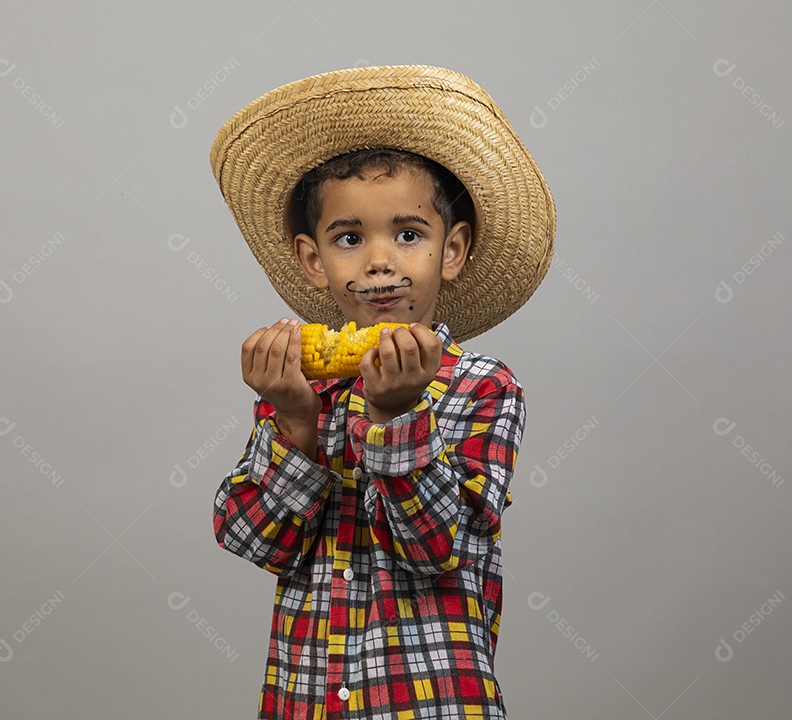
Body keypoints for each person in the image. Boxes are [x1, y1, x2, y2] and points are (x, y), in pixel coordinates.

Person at [209, 65, 555, 719]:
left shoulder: (485, 389)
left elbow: (432, 547)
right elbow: (257, 542)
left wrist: (396, 415)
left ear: (451, 252)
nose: (379, 261)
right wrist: (294, 424)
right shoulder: (302, 389)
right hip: (306, 703)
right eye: (348, 238)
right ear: (314, 262)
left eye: (407, 234)